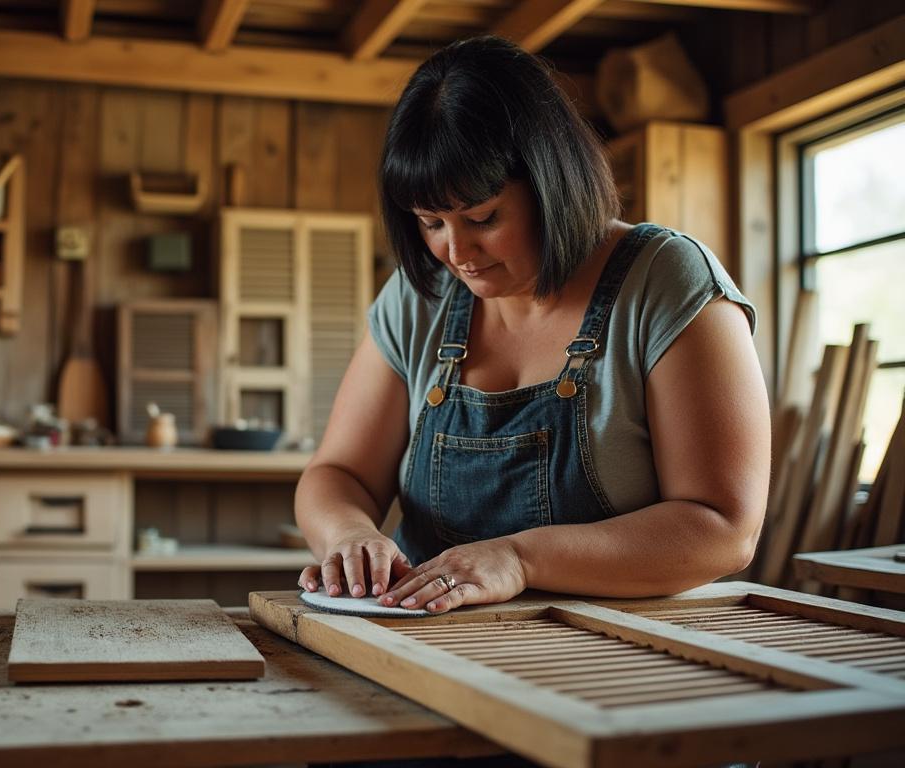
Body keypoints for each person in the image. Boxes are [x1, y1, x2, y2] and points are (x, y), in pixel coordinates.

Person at [295, 36, 770, 615]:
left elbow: (723, 529)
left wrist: (520, 557)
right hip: (429, 644)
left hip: (618, 653)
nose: (456, 251)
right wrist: (348, 534)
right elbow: (338, 472)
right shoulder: (420, 297)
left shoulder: (666, 281)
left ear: (551, 184)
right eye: (429, 222)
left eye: (482, 217)